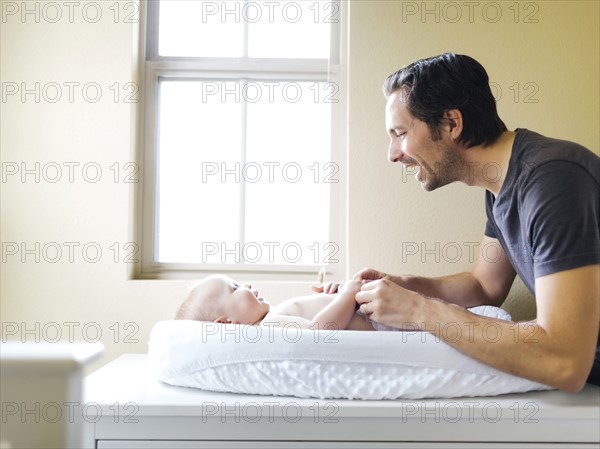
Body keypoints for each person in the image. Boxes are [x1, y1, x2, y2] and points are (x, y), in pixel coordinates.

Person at [353, 53, 600, 391]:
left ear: (452, 123)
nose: (392, 154)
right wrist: (403, 284)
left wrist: (417, 310)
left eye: (400, 133)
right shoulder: (500, 186)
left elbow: (565, 359)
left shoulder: (552, 180)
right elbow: (484, 286)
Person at [175, 274, 374, 330]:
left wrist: (337, 294)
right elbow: (319, 331)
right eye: (235, 288)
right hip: (379, 322)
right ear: (226, 322)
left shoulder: (272, 316)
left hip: (369, 310)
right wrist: (348, 294)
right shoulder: (270, 325)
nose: (247, 285)